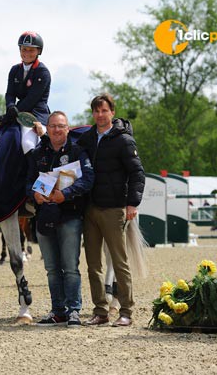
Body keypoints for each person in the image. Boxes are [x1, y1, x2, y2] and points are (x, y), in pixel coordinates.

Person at [77, 93, 145, 327]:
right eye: (96, 111)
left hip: (115, 208)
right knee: (93, 264)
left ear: (112, 112)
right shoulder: (86, 139)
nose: (100, 114)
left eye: (104, 110)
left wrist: (132, 203)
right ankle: (100, 311)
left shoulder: (123, 140)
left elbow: (137, 173)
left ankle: (126, 311)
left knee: (119, 262)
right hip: (91, 209)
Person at [26, 111, 94, 327]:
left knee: (70, 267)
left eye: (61, 126)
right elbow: (26, 183)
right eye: (53, 126)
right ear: (47, 128)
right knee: (52, 269)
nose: (57, 130)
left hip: (70, 216)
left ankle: (74, 310)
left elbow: (88, 180)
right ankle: (58, 311)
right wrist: (34, 194)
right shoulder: (37, 154)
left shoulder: (78, 152)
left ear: (67, 129)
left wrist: (66, 193)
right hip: (44, 216)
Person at [5, 31, 50, 153]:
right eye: (24, 49)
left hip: (36, 115)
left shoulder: (43, 72)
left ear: (38, 52)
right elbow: (10, 94)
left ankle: (32, 171)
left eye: (31, 50)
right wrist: (10, 106)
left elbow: (32, 99)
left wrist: (15, 111)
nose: (27, 53)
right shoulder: (14, 70)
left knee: (27, 143)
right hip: (18, 112)